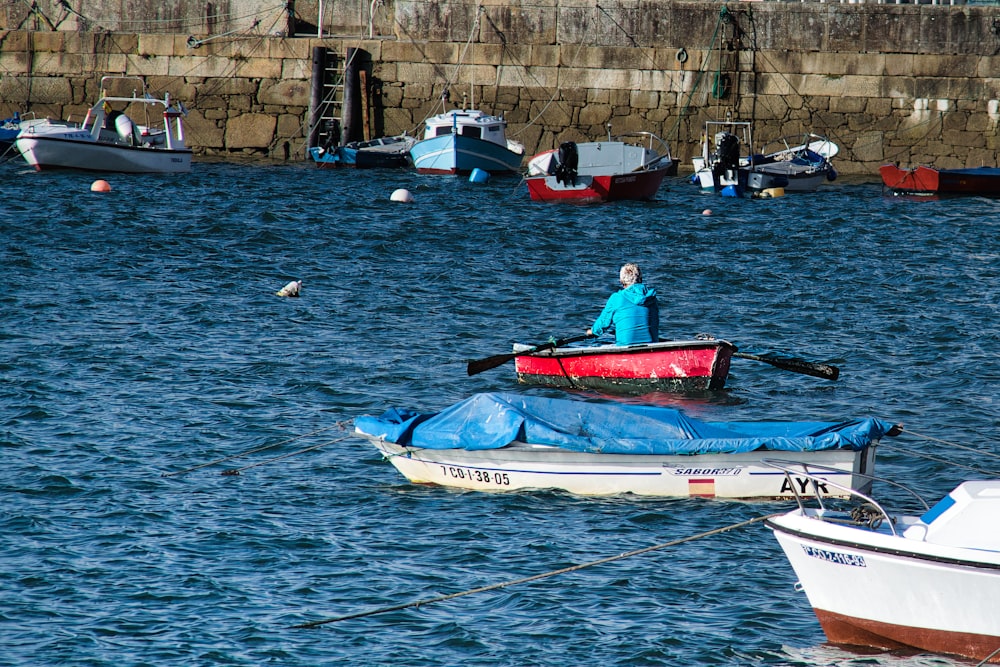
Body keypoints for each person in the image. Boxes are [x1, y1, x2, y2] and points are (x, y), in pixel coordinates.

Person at [586, 263, 659, 346]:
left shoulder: (616, 298)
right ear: (640, 279)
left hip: (625, 346)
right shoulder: (651, 298)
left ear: (621, 281)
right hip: (651, 346)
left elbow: (603, 323)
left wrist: (593, 331)